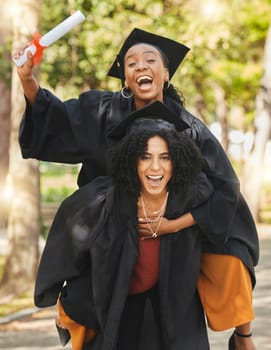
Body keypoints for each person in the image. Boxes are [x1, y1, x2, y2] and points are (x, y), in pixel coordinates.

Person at [13, 28, 258, 350]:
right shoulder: (101, 112)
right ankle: (73, 316)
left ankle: (243, 335)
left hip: (173, 247)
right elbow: (54, 117)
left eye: (150, 60)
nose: (141, 66)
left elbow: (225, 188)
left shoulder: (190, 128)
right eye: (131, 63)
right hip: (110, 241)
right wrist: (27, 78)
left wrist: (173, 223)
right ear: (125, 78)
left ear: (165, 73)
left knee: (233, 241)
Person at [34, 101, 215, 350]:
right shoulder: (103, 199)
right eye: (145, 157)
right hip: (117, 304)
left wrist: (174, 224)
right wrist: (61, 299)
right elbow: (67, 239)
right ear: (131, 161)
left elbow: (222, 207)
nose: (155, 167)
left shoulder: (191, 194)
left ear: (177, 161)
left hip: (171, 307)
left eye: (165, 157)